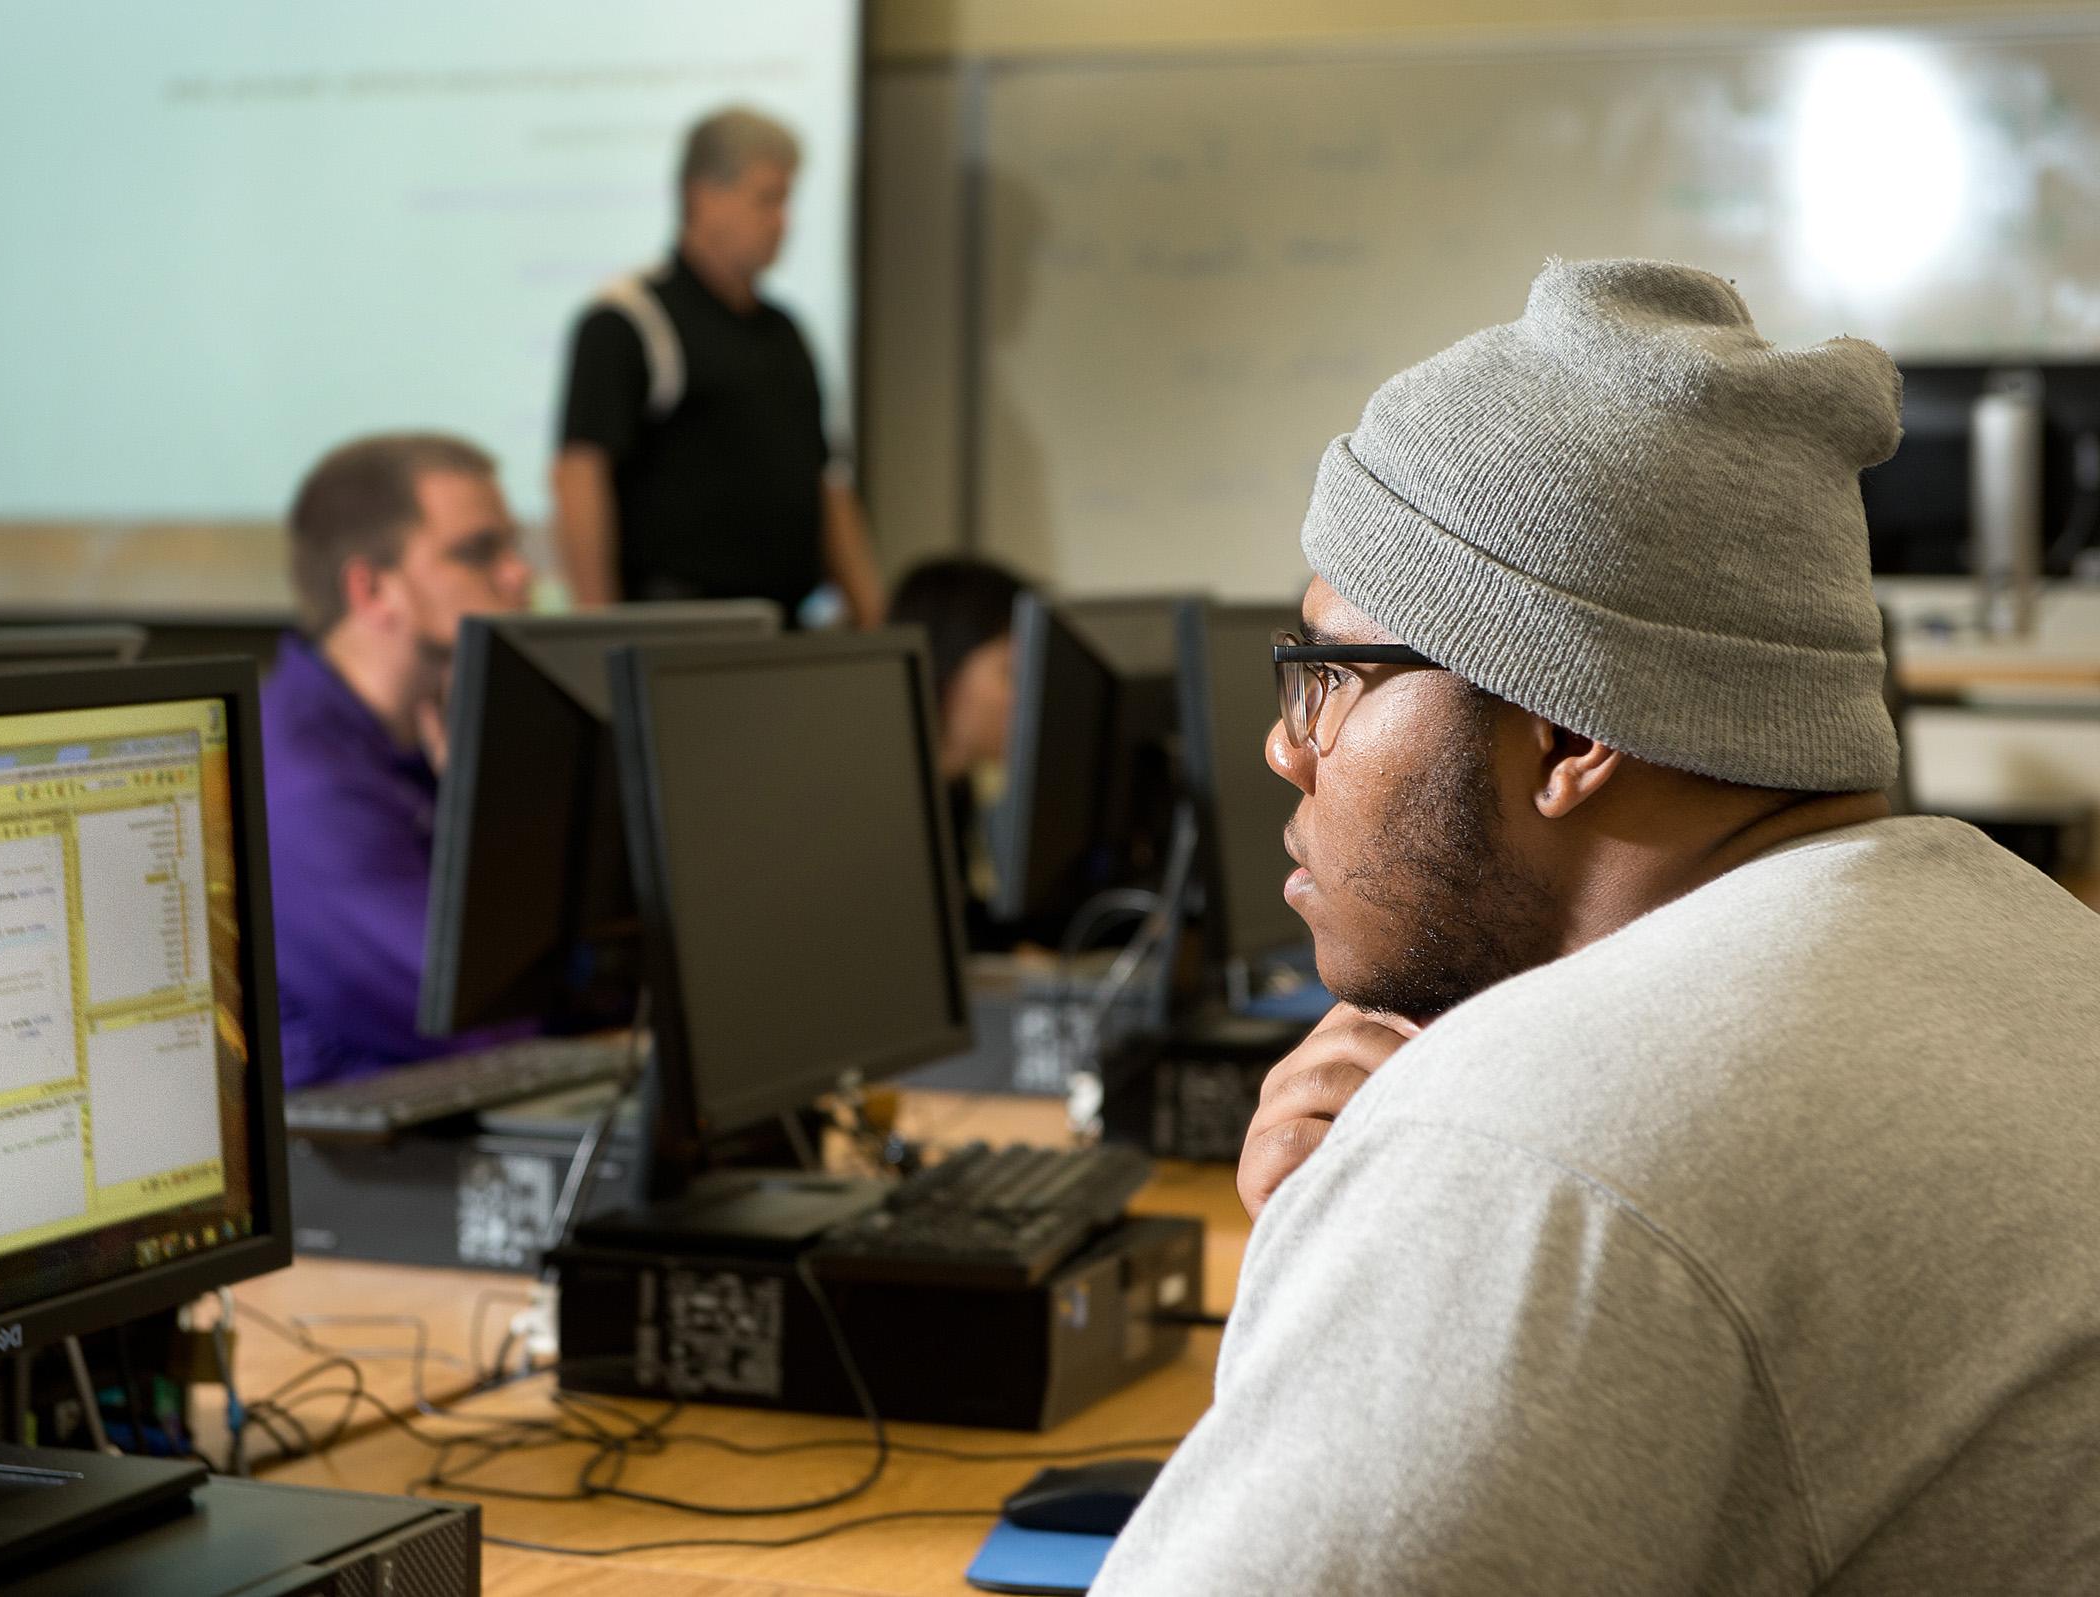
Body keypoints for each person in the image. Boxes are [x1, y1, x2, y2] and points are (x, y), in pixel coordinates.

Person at [1092, 260, 2100, 1593]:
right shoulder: (2047, 961)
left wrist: (1418, 1214)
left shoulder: (1538, 1158)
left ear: (1565, 727)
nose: (1287, 747)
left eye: (1331, 673)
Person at [260, 432, 534, 1088]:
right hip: (362, 1166)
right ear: (372, 591)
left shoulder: (435, 728)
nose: (519, 573)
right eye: (478, 552)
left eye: (513, 546)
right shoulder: (306, 784)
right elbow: (465, 1014)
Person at [553, 106, 884, 627]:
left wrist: (871, 615)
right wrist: (595, 626)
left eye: (787, 201)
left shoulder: (785, 331)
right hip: (679, 627)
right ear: (702, 196)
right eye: (766, 199)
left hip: (785, 625)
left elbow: (826, 481)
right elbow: (580, 473)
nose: (782, 222)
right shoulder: (630, 320)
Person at [888, 555, 1031, 948]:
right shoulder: (891, 814)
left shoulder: (955, 790)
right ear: (945, 666)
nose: (1032, 698)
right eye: (1011, 674)